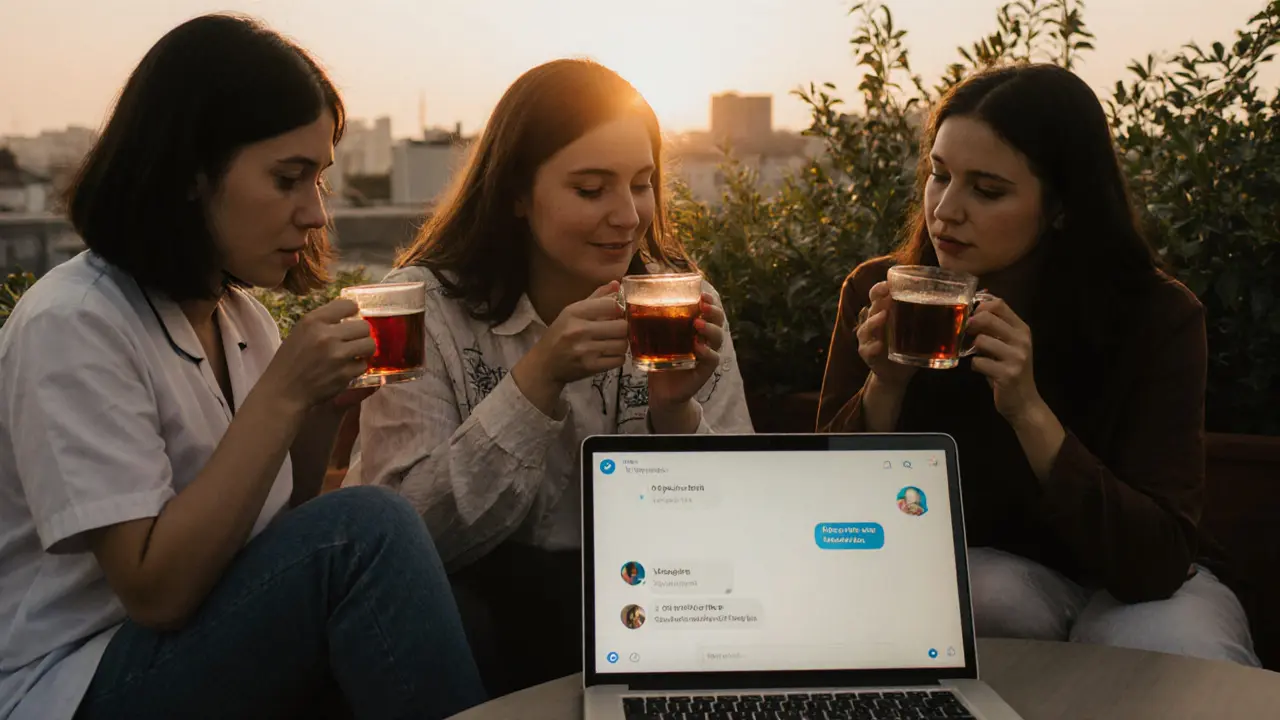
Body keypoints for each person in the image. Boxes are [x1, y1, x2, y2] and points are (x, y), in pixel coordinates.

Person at [0, 15, 484, 720]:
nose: (315, 213)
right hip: (79, 679)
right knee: (368, 531)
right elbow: (155, 591)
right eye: (289, 179)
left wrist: (323, 407)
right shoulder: (74, 324)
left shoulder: (239, 317)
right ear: (192, 173)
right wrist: (285, 394)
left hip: (194, 639)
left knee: (468, 608)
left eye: (319, 180)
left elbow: (274, 529)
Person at [818, 63, 1258, 666]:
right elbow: (827, 520)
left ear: (1061, 205)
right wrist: (884, 387)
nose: (945, 211)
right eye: (938, 175)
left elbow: (1156, 563)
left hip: (1137, 579)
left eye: (987, 189)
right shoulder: (884, 294)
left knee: (1173, 648)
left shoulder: (1154, 315)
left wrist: (1028, 411)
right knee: (987, 600)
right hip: (987, 574)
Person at [349, 58, 754, 692]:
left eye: (642, 184)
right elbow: (405, 539)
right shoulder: (421, 309)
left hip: (635, 605)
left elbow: (737, 531)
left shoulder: (678, 302)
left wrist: (676, 414)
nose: (627, 215)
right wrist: (535, 383)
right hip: (468, 611)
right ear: (515, 192)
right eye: (591, 190)